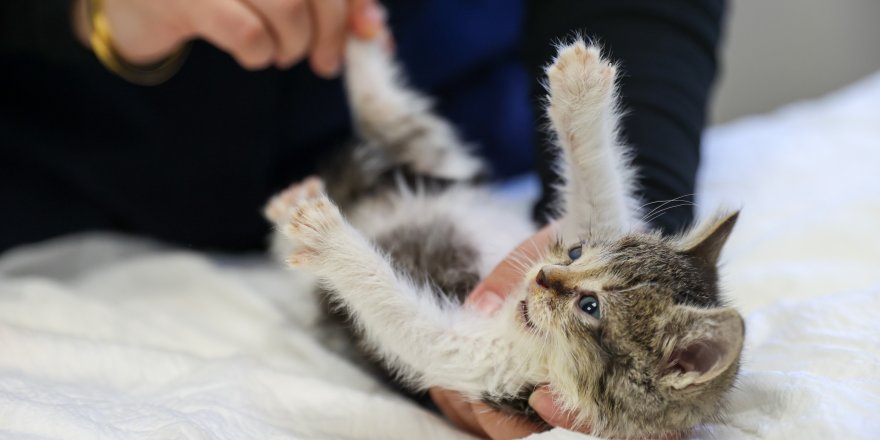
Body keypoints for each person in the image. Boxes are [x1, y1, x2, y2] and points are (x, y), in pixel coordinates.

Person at [0, 0, 725, 438]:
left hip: (407, 139)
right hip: (75, 157)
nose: (551, 276)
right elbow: (600, 229)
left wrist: (335, 249)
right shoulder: (568, 305)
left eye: (588, 296)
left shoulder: (519, 374)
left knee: (393, 135)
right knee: (407, 138)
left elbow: (413, 331)